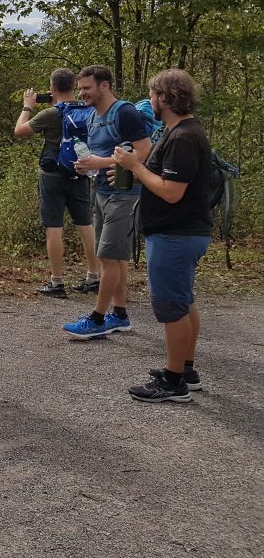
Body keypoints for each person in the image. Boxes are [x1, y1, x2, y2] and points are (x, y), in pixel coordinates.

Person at [113, 70, 212, 403]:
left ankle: (174, 383)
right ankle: (185, 369)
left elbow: (171, 192)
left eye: (153, 95)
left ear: (167, 98)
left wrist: (137, 168)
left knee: (172, 307)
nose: (150, 101)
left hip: (176, 234)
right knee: (183, 301)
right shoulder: (177, 132)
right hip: (180, 233)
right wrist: (132, 169)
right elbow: (161, 179)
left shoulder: (184, 137)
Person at [63, 65, 151, 339]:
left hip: (124, 195)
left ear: (105, 86)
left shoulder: (124, 112)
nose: (82, 93)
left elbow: (144, 149)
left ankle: (98, 318)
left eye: (86, 88)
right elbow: (99, 154)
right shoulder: (92, 117)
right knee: (116, 258)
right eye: (80, 88)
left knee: (107, 257)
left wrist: (101, 162)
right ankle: (120, 315)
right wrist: (87, 166)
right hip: (100, 190)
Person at [14, 68, 100, 297]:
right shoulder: (89, 109)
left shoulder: (51, 114)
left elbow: (19, 131)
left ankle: (57, 281)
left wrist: (27, 106)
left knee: (54, 226)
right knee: (85, 224)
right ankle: (94, 276)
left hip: (52, 175)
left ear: (52, 88)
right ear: (74, 86)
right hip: (81, 171)